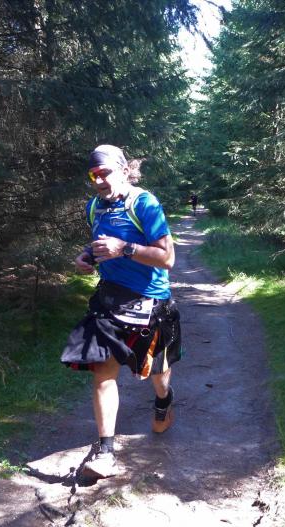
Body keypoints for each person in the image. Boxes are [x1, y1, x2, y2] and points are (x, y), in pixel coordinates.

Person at [60, 144, 182, 480]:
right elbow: (100, 243)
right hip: (109, 302)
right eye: (93, 175)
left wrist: (124, 249)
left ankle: (164, 400)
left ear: (125, 171)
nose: (99, 180)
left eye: (105, 173)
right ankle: (106, 452)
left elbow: (167, 258)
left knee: (156, 374)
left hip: (150, 302)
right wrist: (87, 257)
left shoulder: (144, 204)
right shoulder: (94, 207)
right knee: (103, 373)